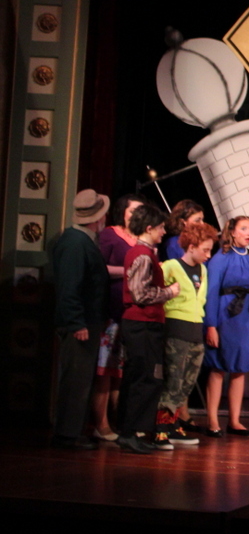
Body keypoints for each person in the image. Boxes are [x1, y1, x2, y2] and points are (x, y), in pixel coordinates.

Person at [50, 189, 112, 450]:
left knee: (81, 379)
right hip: (80, 324)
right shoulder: (76, 243)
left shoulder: (82, 240)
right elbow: (69, 287)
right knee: (75, 381)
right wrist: (77, 323)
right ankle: (67, 435)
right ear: (98, 218)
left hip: (87, 321)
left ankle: (72, 432)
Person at [117, 204, 180, 453]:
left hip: (147, 323)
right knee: (144, 378)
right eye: (161, 227)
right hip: (142, 323)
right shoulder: (142, 255)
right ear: (149, 228)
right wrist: (169, 292)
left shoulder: (144, 253)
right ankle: (129, 432)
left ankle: (134, 431)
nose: (164, 232)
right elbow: (140, 293)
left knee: (145, 377)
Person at [204, 216, 249, 438]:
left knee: (241, 367)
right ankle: (213, 420)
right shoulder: (220, 258)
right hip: (226, 317)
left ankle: (234, 420)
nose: (248, 233)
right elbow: (211, 293)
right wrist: (211, 325)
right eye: (243, 228)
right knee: (219, 367)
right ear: (232, 231)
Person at [155, 221, 217, 447]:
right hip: (176, 328)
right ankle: (161, 429)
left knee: (187, 382)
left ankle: (173, 425)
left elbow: (200, 301)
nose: (208, 255)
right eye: (205, 250)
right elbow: (155, 292)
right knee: (173, 380)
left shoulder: (202, 270)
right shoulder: (171, 266)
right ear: (191, 247)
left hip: (195, 329)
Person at [94, 193, 145, 441]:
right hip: (111, 311)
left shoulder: (142, 239)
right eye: (132, 210)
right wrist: (129, 271)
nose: (136, 215)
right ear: (122, 212)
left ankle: (118, 421)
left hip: (132, 313)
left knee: (120, 372)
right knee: (104, 371)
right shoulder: (110, 235)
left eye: (140, 211)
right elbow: (98, 267)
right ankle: (100, 424)